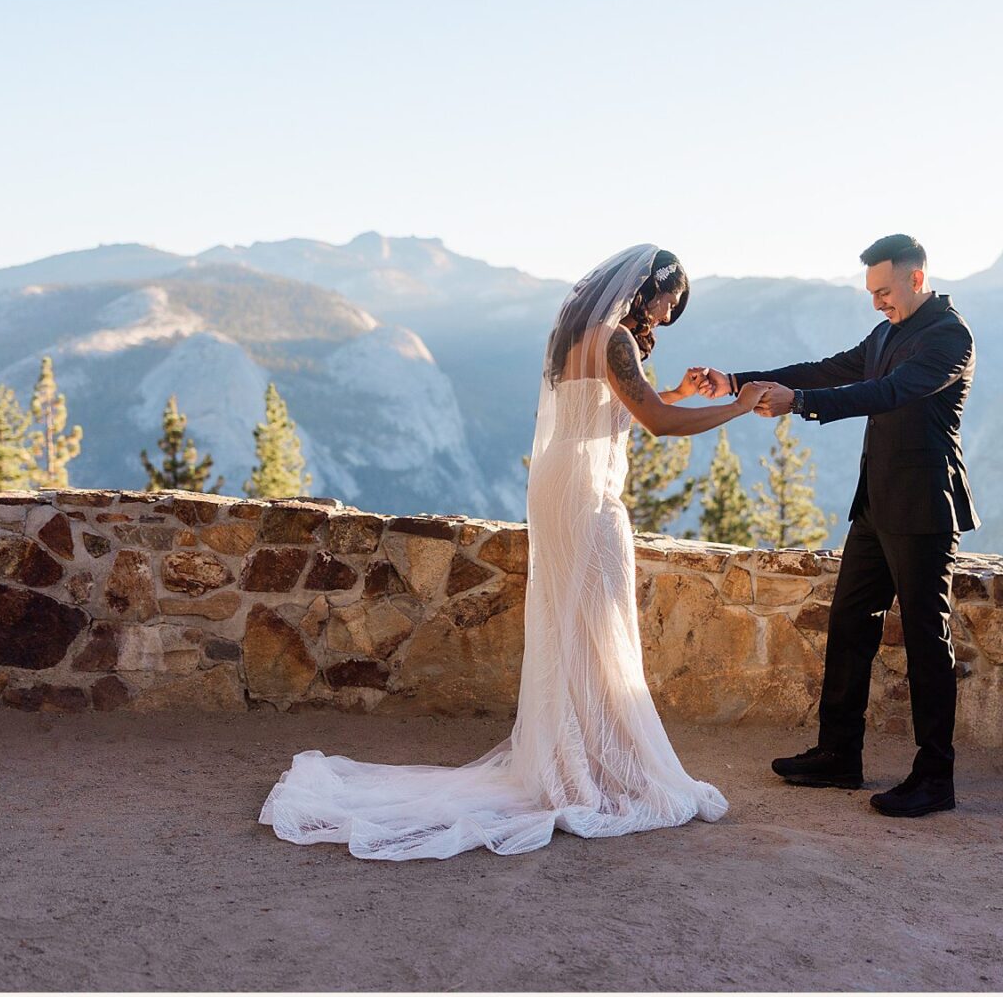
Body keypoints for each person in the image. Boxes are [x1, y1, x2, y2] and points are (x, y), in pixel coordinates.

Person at [259, 244, 771, 859]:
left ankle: (580, 761)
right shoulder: (618, 342)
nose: (664, 316)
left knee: (574, 624)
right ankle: (602, 770)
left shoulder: (582, 336)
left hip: (561, 482)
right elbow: (654, 422)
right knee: (600, 621)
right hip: (587, 494)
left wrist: (680, 392)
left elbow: (611, 411)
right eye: (666, 301)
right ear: (644, 289)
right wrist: (736, 406)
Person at [698, 233, 978, 818]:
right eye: (871, 293)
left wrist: (799, 402)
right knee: (850, 622)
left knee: (928, 640)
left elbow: (891, 391)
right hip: (875, 505)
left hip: (925, 506)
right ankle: (838, 755)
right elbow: (832, 369)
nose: (876, 302)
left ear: (916, 279)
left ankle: (935, 778)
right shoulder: (885, 333)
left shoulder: (950, 336)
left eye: (884, 290)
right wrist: (737, 382)